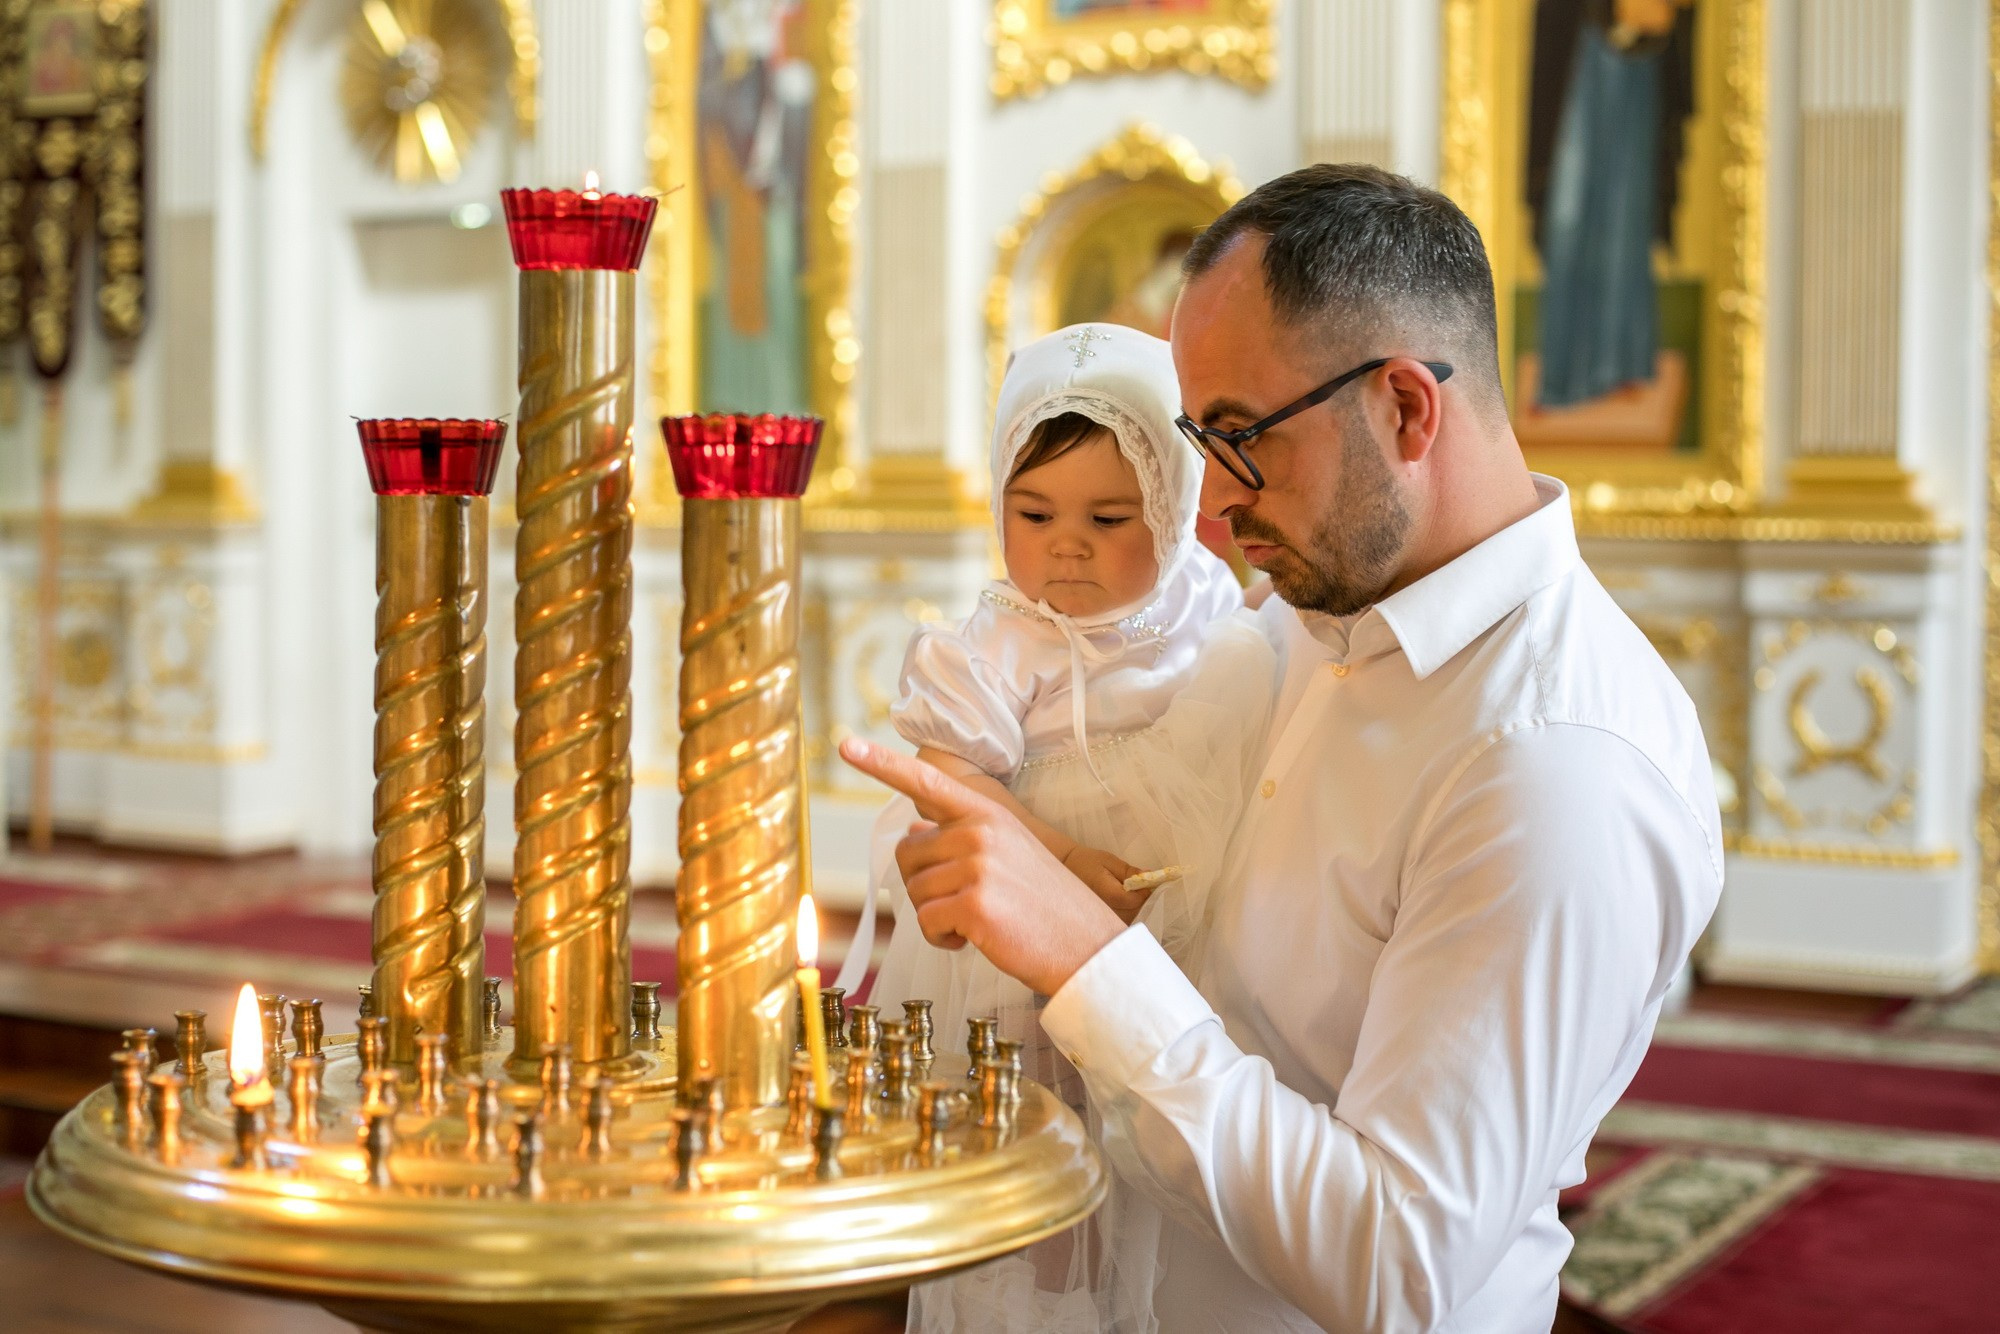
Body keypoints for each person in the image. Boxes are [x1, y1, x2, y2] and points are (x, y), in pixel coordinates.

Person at [843, 164, 1723, 1333]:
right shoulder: (1305, 612)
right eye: (1196, 438)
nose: (1208, 505)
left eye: (1239, 436)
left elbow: (1393, 1262)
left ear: (1403, 409)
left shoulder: (1553, 765)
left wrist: (1084, 951)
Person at [867, 321, 1276, 1332]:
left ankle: (1149, 1273)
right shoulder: (1001, 637)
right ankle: (1040, 1294)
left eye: (1109, 515)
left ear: (1175, 505)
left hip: (1174, 896)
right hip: (1023, 911)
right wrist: (1056, 862)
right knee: (1037, 1093)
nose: (1066, 543)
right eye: (1034, 511)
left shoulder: (1204, 601)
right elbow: (951, 774)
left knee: (1154, 1092)